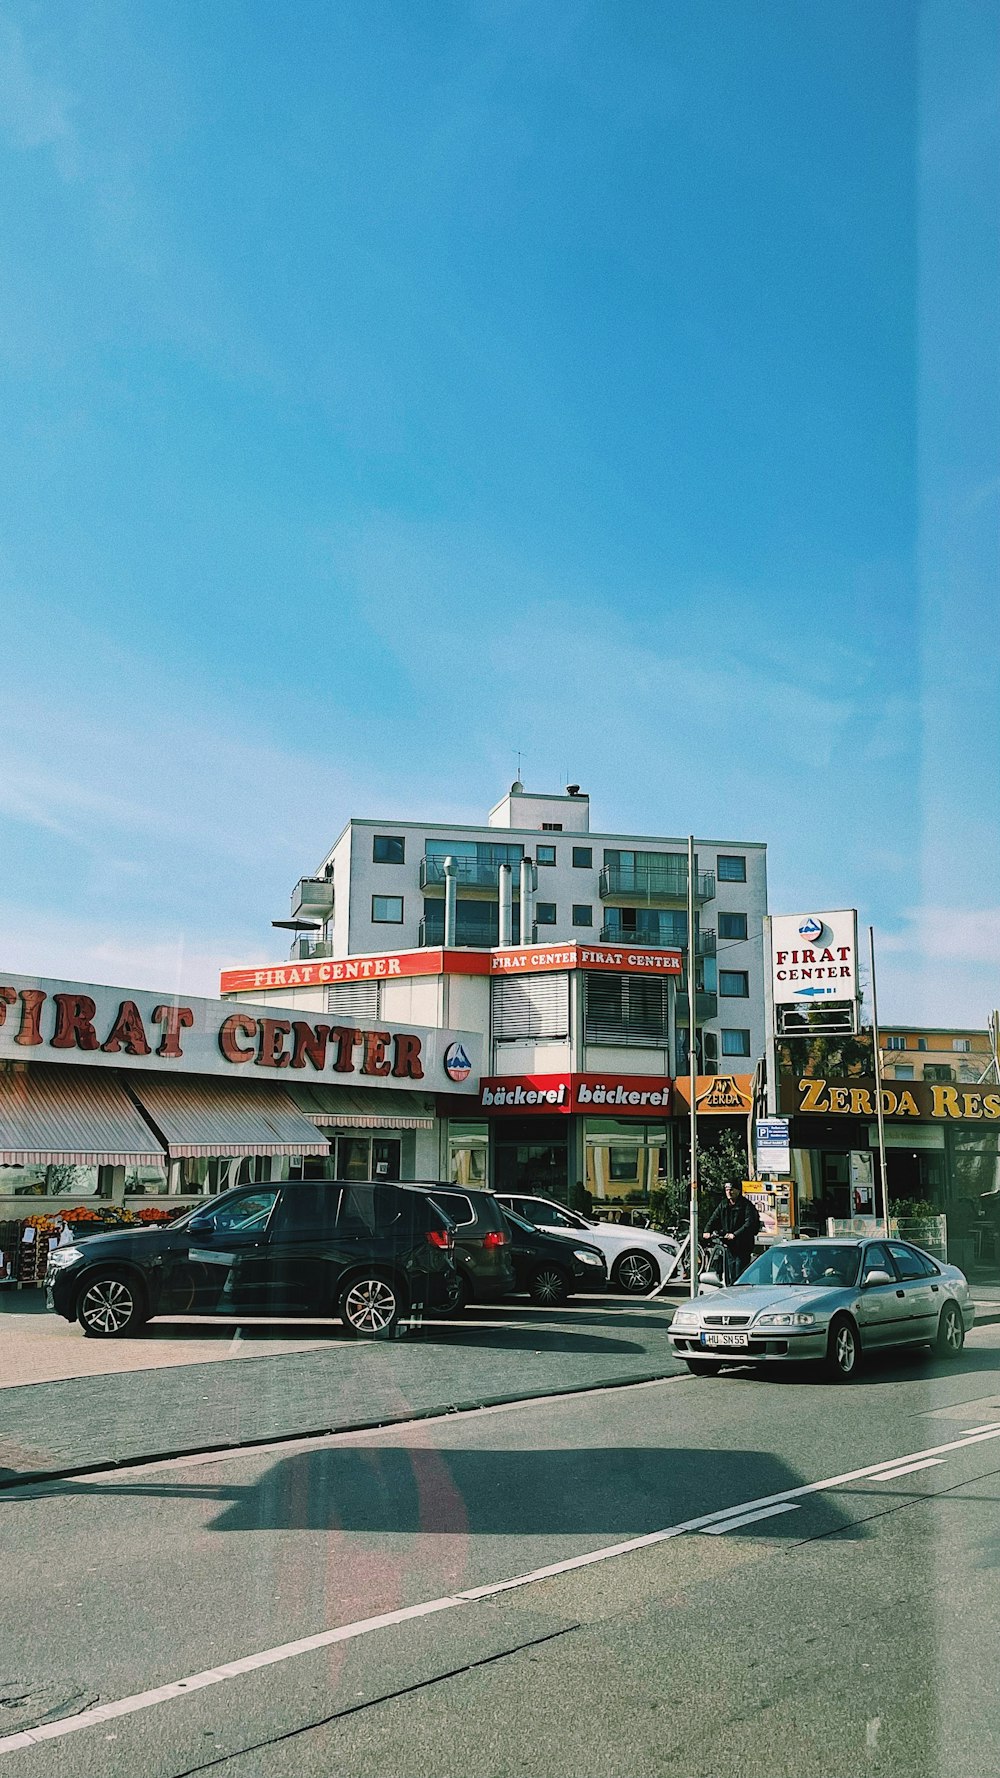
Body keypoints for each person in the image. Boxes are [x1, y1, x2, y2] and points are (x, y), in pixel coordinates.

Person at [704, 1182, 760, 1284]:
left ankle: (740, 1290)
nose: (729, 1192)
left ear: (738, 1191)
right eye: (726, 1189)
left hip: (743, 1244)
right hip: (730, 1245)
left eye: (731, 1189)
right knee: (730, 1270)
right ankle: (731, 1288)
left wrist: (735, 1234)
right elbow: (714, 1218)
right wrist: (707, 1230)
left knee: (740, 1270)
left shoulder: (746, 1205)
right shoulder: (724, 1204)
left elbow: (749, 1223)